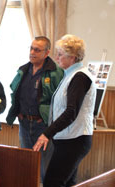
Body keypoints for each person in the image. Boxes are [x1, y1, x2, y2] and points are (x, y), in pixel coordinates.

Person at [33, 34, 96, 187]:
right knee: (68, 183)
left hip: (75, 140)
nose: (56, 57)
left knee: (52, 182)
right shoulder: (70, 75)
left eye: (60, 54)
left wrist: (47, 133)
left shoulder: (80, 77)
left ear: (72, 57)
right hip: (69, 138)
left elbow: (71, 112)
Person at [6, 36, 64, 181]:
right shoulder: (23, 70)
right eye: (31, 48)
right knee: (26, 166)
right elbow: (15, 93)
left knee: (46, 167)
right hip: (24, 124)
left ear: (46, 53)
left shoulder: (56, 72)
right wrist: (16, 113)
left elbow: (61, 101)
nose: (32, 52)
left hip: (43, 126)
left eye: (37, 50)